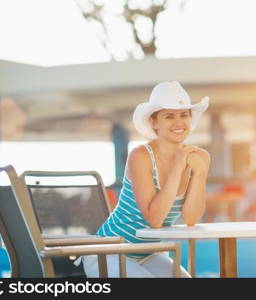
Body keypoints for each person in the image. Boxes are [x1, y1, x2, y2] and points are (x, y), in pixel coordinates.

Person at [82, 81, 210, 278]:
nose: (179, 122)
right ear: (154, 122)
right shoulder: (140, 156)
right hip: (107, 251)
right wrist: (177, 167)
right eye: (169, 116)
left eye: (184, 115)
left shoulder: (199, 157)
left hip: (148, 254)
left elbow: (191, 219)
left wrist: (200, 174)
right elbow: (155, 219)